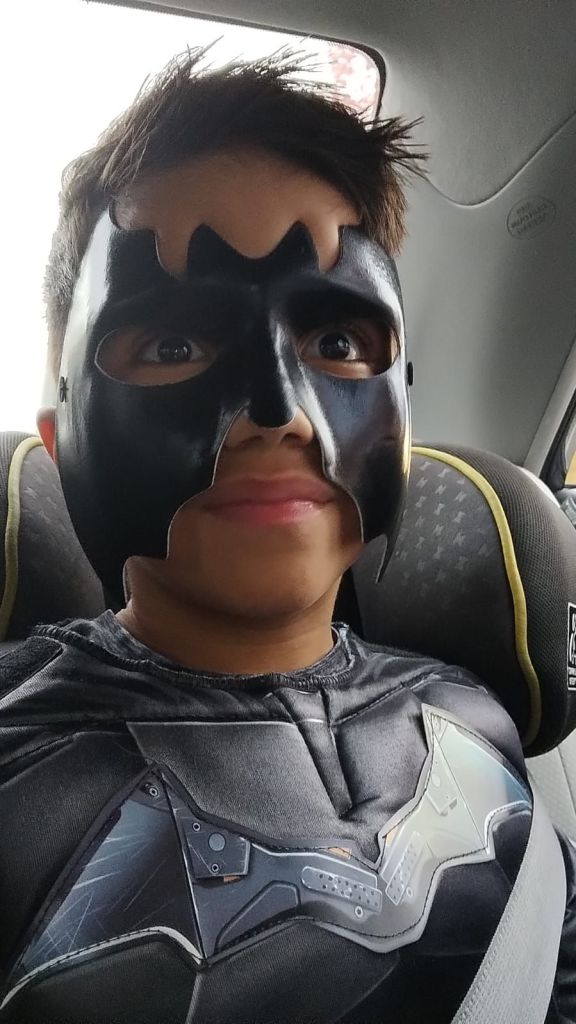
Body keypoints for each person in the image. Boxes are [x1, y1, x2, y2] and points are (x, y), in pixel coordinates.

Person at [0, 49, 574, 1024]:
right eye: (174, 343)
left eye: (337, 343)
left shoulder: (474, 723)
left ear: (402, 418)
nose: (280, 415)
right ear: (62, 441)